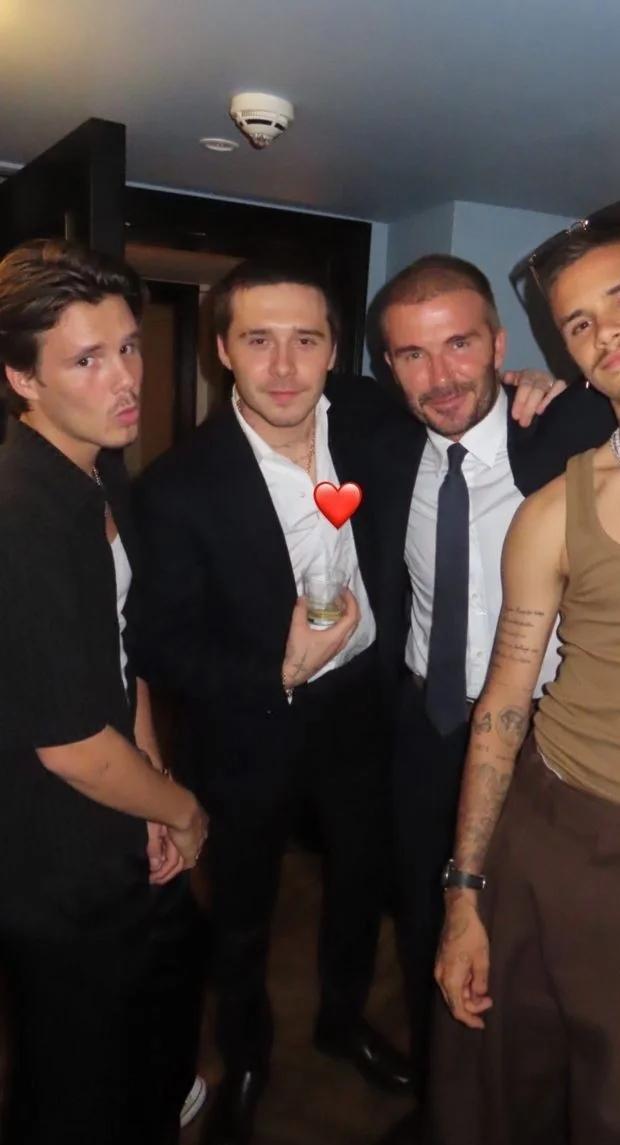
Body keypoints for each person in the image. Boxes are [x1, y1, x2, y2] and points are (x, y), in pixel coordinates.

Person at [134, 255, 413, 1145]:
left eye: (306, 340)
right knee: (244, 908)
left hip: (362, 707)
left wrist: (528, 390)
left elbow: (464, 404)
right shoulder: (173, 487)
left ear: (336, 349)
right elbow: (159, 644)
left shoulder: (372, 419)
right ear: (223, 349)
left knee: (360, 877)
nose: (284, 367)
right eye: (259, 340)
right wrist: (276, 673)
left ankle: (341, 1019)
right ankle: (247, 1053)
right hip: (248, 726)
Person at [368, 254, 616, 1145]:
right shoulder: (378, 446)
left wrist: (557, 376)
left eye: (460, 345)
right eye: (412, 354)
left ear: (503, 347)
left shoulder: (570, 425)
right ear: (389, 366)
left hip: (544, 745)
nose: (439, 376)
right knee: (431, 919)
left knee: (539, 969)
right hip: (428, 727)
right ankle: (444, 1095)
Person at [0, 238, 209, 1145]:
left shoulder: (99, 466)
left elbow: (122, 653)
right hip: (51, 852)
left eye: (127, 346)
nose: (125, 378)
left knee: (150, 1022)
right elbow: (72, 744)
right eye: (86, 360)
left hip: (114, 814)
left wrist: (151, 784)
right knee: (71, 1083)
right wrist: (184, 809)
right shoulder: (21, 514)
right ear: (22, 379)